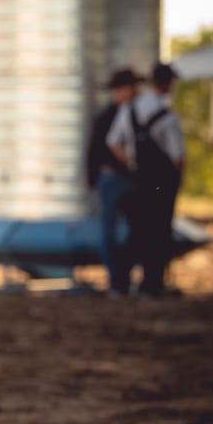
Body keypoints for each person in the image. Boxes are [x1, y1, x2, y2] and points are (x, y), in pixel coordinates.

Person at [106, 61, 185, 298]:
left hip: (139, 179)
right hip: (161, 183)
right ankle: (151, 285)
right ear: (167, 84)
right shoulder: (167, 116)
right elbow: (177, 157)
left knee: (137, 231)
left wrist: (132, 164)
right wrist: (176, 180)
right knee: (159, 232)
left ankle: (120, 284)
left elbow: (113, 142)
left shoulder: (129, 110)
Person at [85, 68, 140, 296]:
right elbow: (95, 150)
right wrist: (93, 180)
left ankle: (123, 277)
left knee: (134, 229)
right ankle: (116, 280)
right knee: (109, 232)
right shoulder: (107, 117)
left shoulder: (135, 114)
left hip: (129, 180)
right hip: (113, 179)